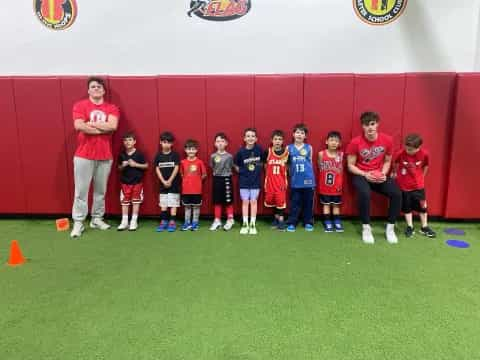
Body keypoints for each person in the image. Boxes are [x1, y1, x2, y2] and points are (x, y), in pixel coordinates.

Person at [70, 77, 120, 238]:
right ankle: (78, 222)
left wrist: (90, 125)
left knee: (100, 191)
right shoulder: (80, 105)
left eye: (99, 86)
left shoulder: (111, 108)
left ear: (104, 90)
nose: (96, 88)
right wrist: (102, 129)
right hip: (83, 156)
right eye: (93, 87)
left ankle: (97, 219)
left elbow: (113, 126)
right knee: (81, 191)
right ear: (88, 90)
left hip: (105, 156)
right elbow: (78, 125)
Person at [346, 111, 402, 244]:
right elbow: (350, 166)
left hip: (378, 174)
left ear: (377, 124)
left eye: (372, 124)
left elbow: (388, 161)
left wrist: (383, 173)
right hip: (361, 174)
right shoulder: (355, 142)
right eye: (366, 125)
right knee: (364, 193)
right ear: (362, 126)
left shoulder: (387, 140)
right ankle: (366, 227)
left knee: (397, 193)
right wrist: (365, 174)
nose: (370, 127)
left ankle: (390, 228)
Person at [393, 134, 436, 238]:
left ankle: (424, 227)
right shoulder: (400, 153)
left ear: (419, 147)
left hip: (418, 187)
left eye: (411, 150)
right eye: (407, 148)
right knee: (407, 207)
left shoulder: (425, 154)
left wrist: (421, 177)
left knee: (422, 207)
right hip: (404, 186)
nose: (409, 151)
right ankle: (410, 226)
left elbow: (426, 166)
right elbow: (395, 163)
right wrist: (395, 173)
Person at [286, 123, 316, 232]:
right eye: (297, 132)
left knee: (308, 203)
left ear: (305, 136)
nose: (299, 135)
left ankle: (308, 222)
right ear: (293, 134)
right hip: (295, 180)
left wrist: (311, 178)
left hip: (308, 180)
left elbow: (310, 162)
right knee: (295, 202)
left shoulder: (309, 147)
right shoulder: (288, 148)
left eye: (302, 133)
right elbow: (287, 164)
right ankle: (292, 222)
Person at [234, 128, 264, 235]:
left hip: (255, 181)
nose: (250, 138)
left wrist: (257, 169)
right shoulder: (240, 152)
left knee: (254, 202)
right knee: (245, 202)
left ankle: (252, 224)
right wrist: (243, 172)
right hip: (244, 182)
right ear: (244, 138)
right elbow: (235, 165)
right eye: (248, 136)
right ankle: (245, 224)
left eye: (252, 136)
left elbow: (263, 162)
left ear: (256, 138)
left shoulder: (259, 150)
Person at [117, 132, 148, 231]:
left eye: (130, 140)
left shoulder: (139, 154)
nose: (127, 142)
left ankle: (134, 221)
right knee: (125, 202)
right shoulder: (122, 154)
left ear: (134, 141)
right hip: (125, 182)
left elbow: (146, 165)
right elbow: (119, 168)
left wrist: (136, 164)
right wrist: (123, 165)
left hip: (137, 182)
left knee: (136, 201)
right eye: (125, 140)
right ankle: (124, 221)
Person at [318, 131, 344, 233]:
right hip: (325, 186)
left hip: (337, 187)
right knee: (326, 204)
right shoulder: (321, 154)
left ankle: (337, 221)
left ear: (339, 143)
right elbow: (320, 166)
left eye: (336, 141)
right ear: (326, 141)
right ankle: (327, 221)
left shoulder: (341, 155)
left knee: (336, 205)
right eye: (331, 140)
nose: (334, 143)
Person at [154, 131, 181, 232]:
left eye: (168, 142)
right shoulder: (158, 156)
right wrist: (163, 181)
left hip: (173, 184)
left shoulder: (175, 155)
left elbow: (176, 168)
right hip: (163, 185)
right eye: (164, 142)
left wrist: (169, 180)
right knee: (164, 204)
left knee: (173, 203)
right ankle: (164, 221)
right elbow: (157, 169)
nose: (166, 144)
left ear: (172, 144)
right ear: (161, 142)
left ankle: (172, 222)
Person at [209, 132, 235, 231]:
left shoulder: (229, 156)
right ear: (215, 143)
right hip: (216, 179)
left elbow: (231, 167)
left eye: (222, 141)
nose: (220, 143)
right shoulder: (213, 156)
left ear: (226, 143)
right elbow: (212, 166)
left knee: (228, 201)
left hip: (227, 179)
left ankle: (230, 219)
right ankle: (217, 220)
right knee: (217, 201)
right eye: (218, 141)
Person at [263, 130, 289, 231]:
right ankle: (276, 218)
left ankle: (281, 220)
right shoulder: (267, 152)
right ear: (272, 140)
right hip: (270, 182)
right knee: (272, 201)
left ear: (282, 141)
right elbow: (265, 166)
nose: (277, 141)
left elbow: (288, 167)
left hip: (281, 182)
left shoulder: (286, 153)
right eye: (275, 139)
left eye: (280, 139)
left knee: (280, 201)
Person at [180, 139, 207, 231]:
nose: (191, 151)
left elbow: (204, 175)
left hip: (197, 190)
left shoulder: (200, 162)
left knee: (196, 207)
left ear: (196, 150)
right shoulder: (182, 162)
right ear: (185, 150)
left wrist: (197, 182)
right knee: (187, 207)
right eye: (189, 149)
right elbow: (181, 174)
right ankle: (187, 223)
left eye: (193, 149)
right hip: (186, 190)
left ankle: (195, 223)